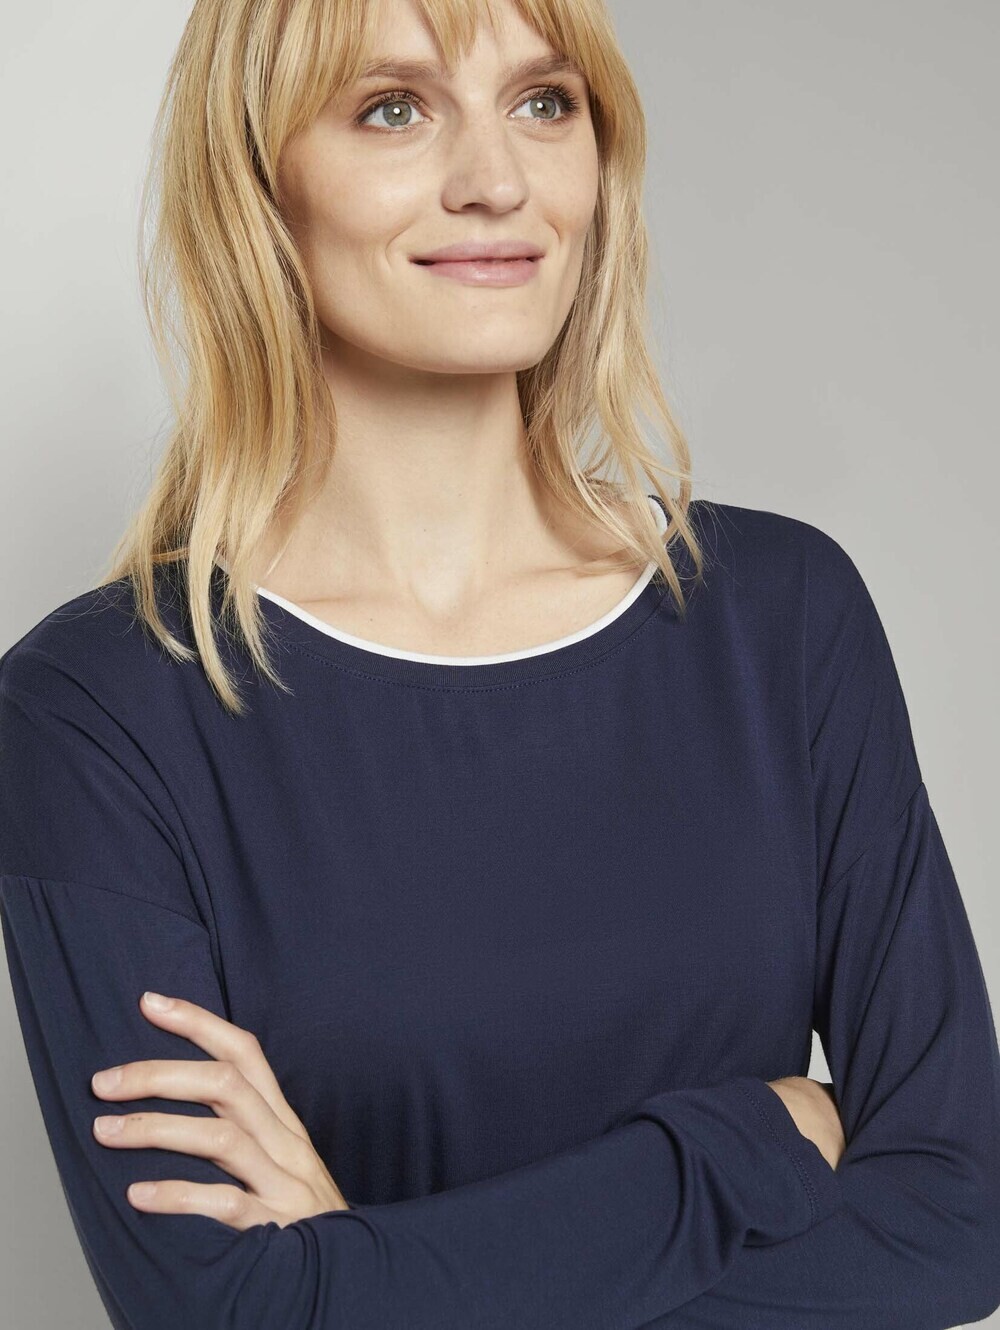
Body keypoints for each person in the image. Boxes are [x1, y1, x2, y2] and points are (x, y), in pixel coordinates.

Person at [1, 0, 998, 1326]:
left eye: (543, 103)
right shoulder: (97, 714)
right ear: (255, 180)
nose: (497, 180)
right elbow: (225, 1315)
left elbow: (957, 1222)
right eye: (393, 109)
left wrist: (361, 1268)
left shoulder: (783, 620)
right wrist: (739, 1146)